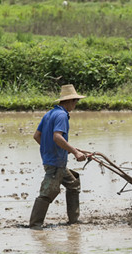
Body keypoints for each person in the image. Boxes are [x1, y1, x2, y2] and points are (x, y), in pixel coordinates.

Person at [29, 84, 87, 230]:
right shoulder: (62, 115)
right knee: (47, 192)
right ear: (69, 101)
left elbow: (37, 136)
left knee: (73, 184)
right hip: (55, 163)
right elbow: (57, 137)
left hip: (54, 160)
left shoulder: (50, 114)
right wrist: (75, 152)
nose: (75, 104)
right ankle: (35, 226)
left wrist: (57, 149)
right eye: (75, 101)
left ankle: (74, 221)